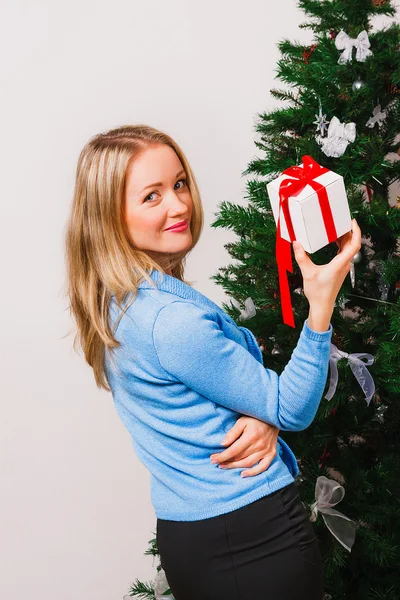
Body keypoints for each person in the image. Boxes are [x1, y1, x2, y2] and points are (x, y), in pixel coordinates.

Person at [64, 124, 362, 600]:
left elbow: (209, 399)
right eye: (151, 196)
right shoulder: (169, 321)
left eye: (179, 184)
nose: (179, 205)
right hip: (250, 537)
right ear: (109, 217)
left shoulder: (121, 301)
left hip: (195, 535)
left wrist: (265, 415)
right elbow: (292, 409)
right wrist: (321, 305)